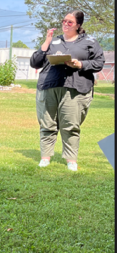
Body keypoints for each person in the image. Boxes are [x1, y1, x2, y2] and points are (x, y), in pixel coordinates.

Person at [30, 10, 104, 171]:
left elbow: (99, 63)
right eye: (64, 21)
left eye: (70, 22)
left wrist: (81, 65)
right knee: (47, 124)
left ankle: (71, 160)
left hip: (75, 88)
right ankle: (45, 157)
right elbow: (35, 62)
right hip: (49, 86)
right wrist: (47, 40)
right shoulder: (54, 41)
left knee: (70, 126)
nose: (65, 24)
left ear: (78, 25)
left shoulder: (89, 42)